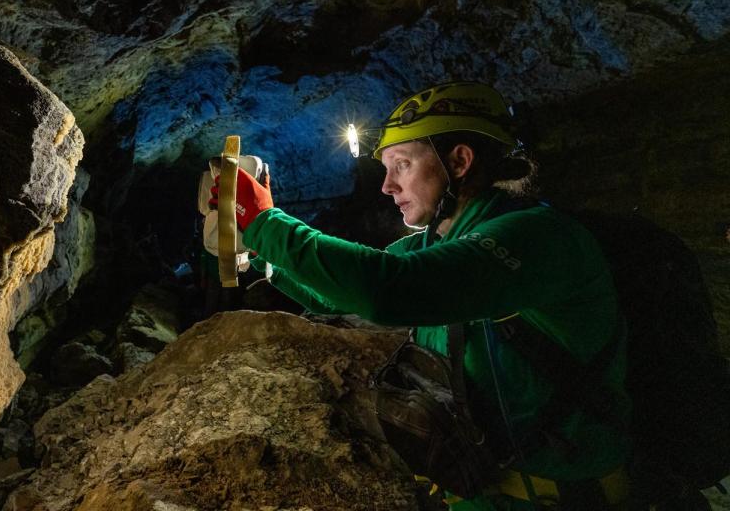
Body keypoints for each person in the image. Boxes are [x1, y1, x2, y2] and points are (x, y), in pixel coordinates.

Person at [215, 81, 631, 510]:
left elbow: (390, 288)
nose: (387, 186)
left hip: (563, 499)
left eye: (402, 165)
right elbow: (342, 295)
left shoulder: (537, 237)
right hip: (479, 492)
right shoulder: (441, 241)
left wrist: (267, 222)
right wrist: (263, 253)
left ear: (460, 160)